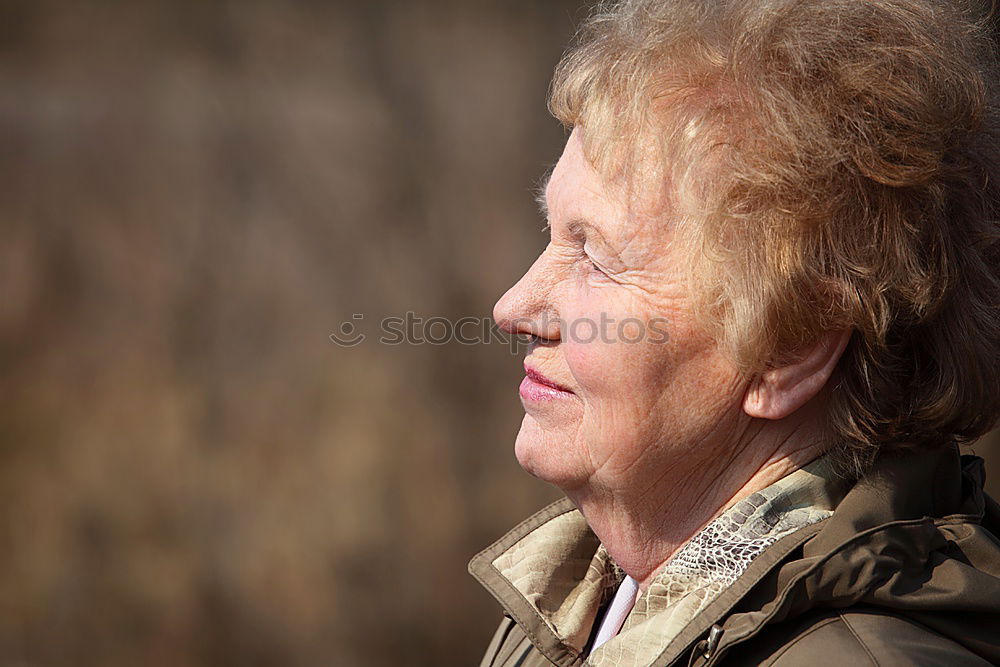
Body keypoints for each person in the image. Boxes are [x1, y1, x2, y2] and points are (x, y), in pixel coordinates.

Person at [468, 0, 1000, 665]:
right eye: (553, 236)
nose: (514, 305)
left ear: (790, 347)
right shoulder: (586, 602)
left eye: (596, 257)